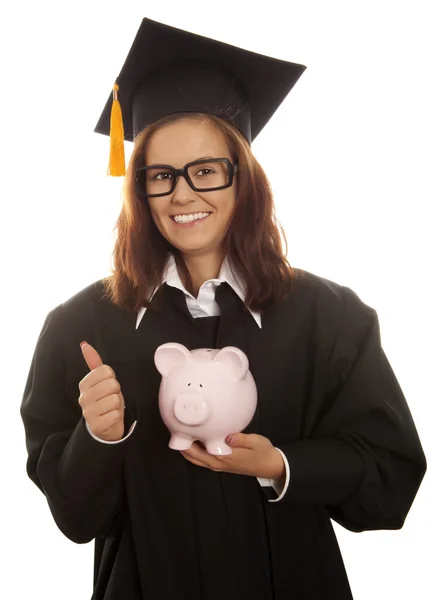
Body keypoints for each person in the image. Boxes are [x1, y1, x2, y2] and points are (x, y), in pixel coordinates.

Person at [20, 16, 427, 600]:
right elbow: (75, 520)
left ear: (244, 179)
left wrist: (281, 465)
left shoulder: (330, 317)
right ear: (140, 189)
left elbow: (391, 482)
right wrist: (98, 438)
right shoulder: (81, 326)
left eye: (206, 171)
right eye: (162, 176)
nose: (183, 194)